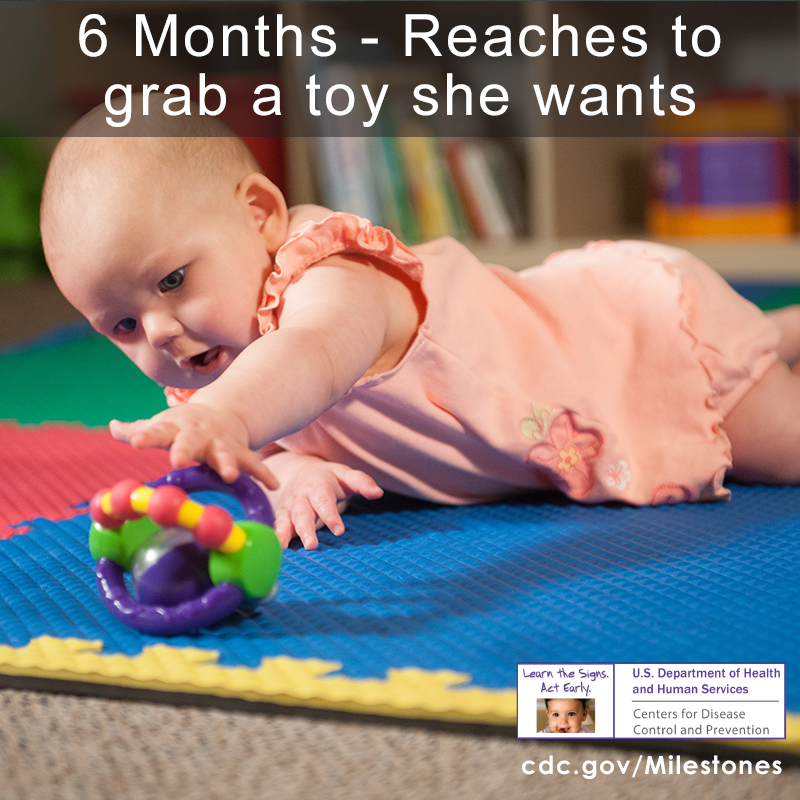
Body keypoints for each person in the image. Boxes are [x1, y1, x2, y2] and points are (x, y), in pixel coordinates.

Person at [40, 95, 800, 550]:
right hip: (566, 339)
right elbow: (264, 439)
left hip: (631, 344)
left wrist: (228, 414)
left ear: (262, 215)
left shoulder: (333, 277)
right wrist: (289, 471)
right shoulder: (216, 361)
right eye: (122, 328)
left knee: (782, 443)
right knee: (767, 340)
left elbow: (311, 356)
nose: (161, 333)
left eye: (172, 281)